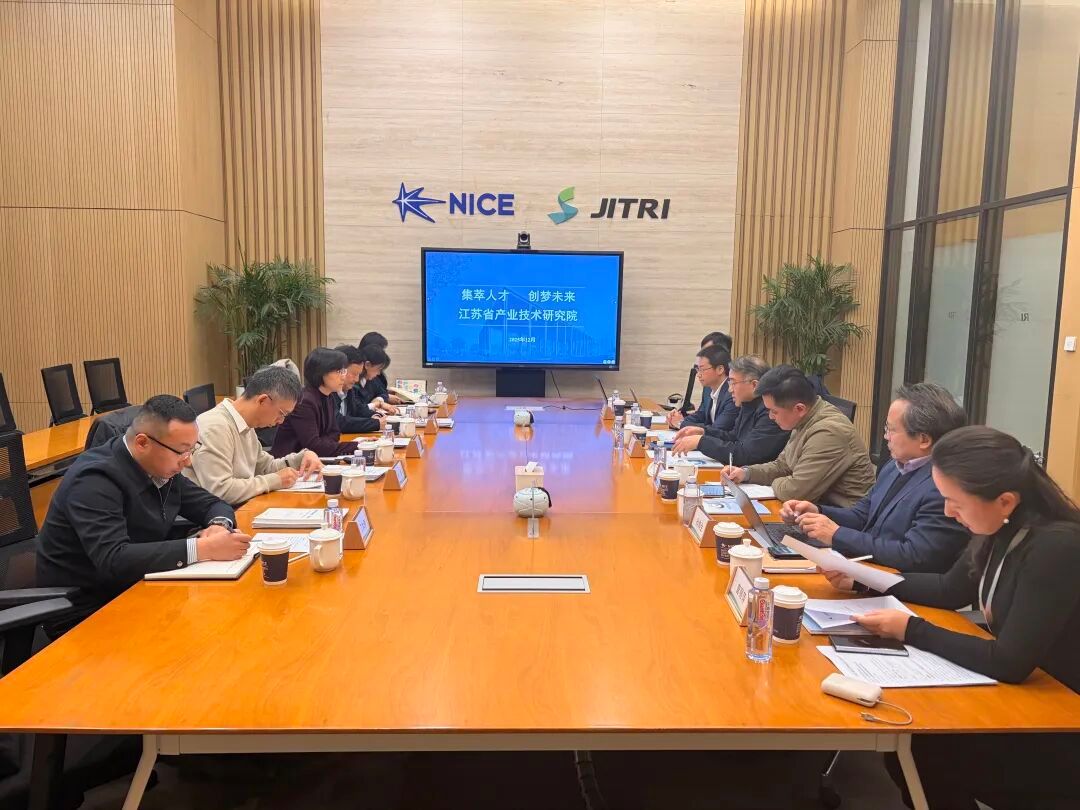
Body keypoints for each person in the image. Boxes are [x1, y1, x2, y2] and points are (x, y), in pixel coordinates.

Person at [822, 426, 1080, 808]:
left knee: (924, 749)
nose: (947, 512)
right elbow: (949, 589)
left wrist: (911, 629)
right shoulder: (999, 525)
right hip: (1031, 696)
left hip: (1061, 721)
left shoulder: (1055, 547)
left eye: (954, 502)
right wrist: (863, 581)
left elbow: (1009, 663)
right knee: (912, 744)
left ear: (1005, 501)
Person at [37, 395, 251, 632]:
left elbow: (213, 504)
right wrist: (204, 548)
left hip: (139, 589)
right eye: (181, 451)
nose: (187, 461)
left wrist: (219, 526)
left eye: (192, 449)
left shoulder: (161, 467)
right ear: (142, 443)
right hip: (86, 611)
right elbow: (114, 559)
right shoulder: (94, 480)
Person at [780, 382, 968, 571]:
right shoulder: (895, 466)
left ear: (924, 440)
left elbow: (913, 555)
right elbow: (863, 515)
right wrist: (817, 512)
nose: (886, 437)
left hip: (893, 581)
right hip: (862, 569)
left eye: (891, 430)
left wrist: (836, 535)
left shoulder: (944, 488)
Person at [719, 365, 874, 506]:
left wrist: (776, 482)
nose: (770, 417)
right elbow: (783, 466)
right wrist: (746, 473)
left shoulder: (828, 432)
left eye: (774, 411)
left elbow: (795, 492)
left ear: (799, 409)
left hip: (840, 517)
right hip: (814, 509)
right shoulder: (804, 417)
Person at [185, 366, 323, 505]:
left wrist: (300, 459)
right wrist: (274, 480)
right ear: (262, 400)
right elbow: (221, 491)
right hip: (216, 513)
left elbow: (265, 467)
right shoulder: (215, 427)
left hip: (241, 506)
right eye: (282, 413)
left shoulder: (245, 424)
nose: (281, 421)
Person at [671, 355, 789, 466]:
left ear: (754, 385)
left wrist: (701, 442)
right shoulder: (749, 404)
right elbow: (733, 437)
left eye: (733, 383)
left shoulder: (771, 412)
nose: (729, 389)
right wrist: (703, 432)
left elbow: (745, 454)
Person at [271, 347, 360, 458]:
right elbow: (314, 446)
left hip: (316, 460)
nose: (343, 377)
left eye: (344, 371)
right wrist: (357, 446)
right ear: (320, 372)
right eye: (339, 372)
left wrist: (324, 443)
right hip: (291, 463)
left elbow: (335, 433)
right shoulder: (304, 401)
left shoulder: (329, 396)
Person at [666, 344, 738, 435]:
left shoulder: (732, 394)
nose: (698, 375)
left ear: (720, 369)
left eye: (702, 369)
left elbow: (717, 430)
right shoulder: (708, 389)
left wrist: (681, 424)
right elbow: (700, 415)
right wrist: (675, 419)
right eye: (698, 369)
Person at [334, 344, 387, 434]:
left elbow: (358, 409)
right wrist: (374, 423)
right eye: (354, 374)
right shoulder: (327, 393)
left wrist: (376, 416)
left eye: (358, 374)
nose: (357, 379)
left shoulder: (349, 390)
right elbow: (338, 422)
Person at [358, 331, 402, 406]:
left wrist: (383, 396)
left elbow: (379, 391)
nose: (383, 353)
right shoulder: (357, 379)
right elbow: (359, 407)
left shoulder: (372, 373)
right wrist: (380, 400)